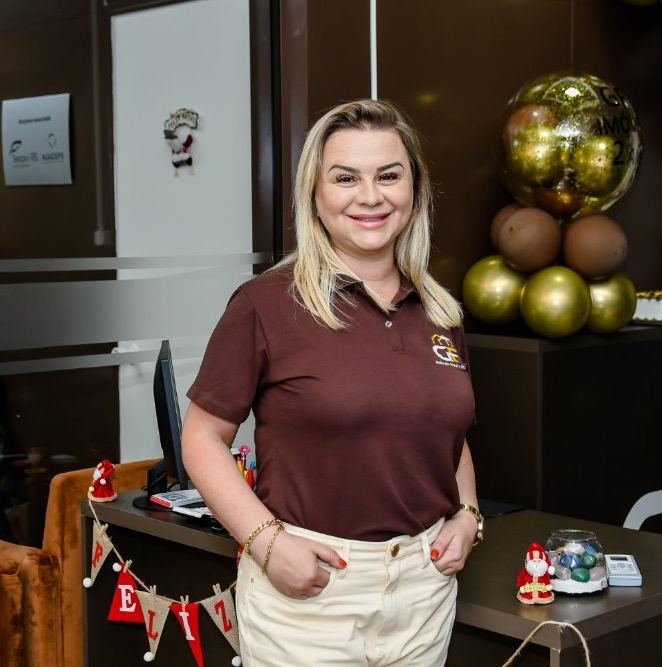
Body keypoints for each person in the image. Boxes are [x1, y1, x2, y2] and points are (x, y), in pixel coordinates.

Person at [181, 98, 482, 666]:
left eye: (388, 176)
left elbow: (448, 435)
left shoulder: (440, 310)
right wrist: (267, 544)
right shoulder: (266, 303)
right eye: (346, 178)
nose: (370, 196)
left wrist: (468, 515)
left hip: (425, 591)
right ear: (314, 195)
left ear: (415, 190)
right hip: (312, 595)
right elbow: (202, 438)